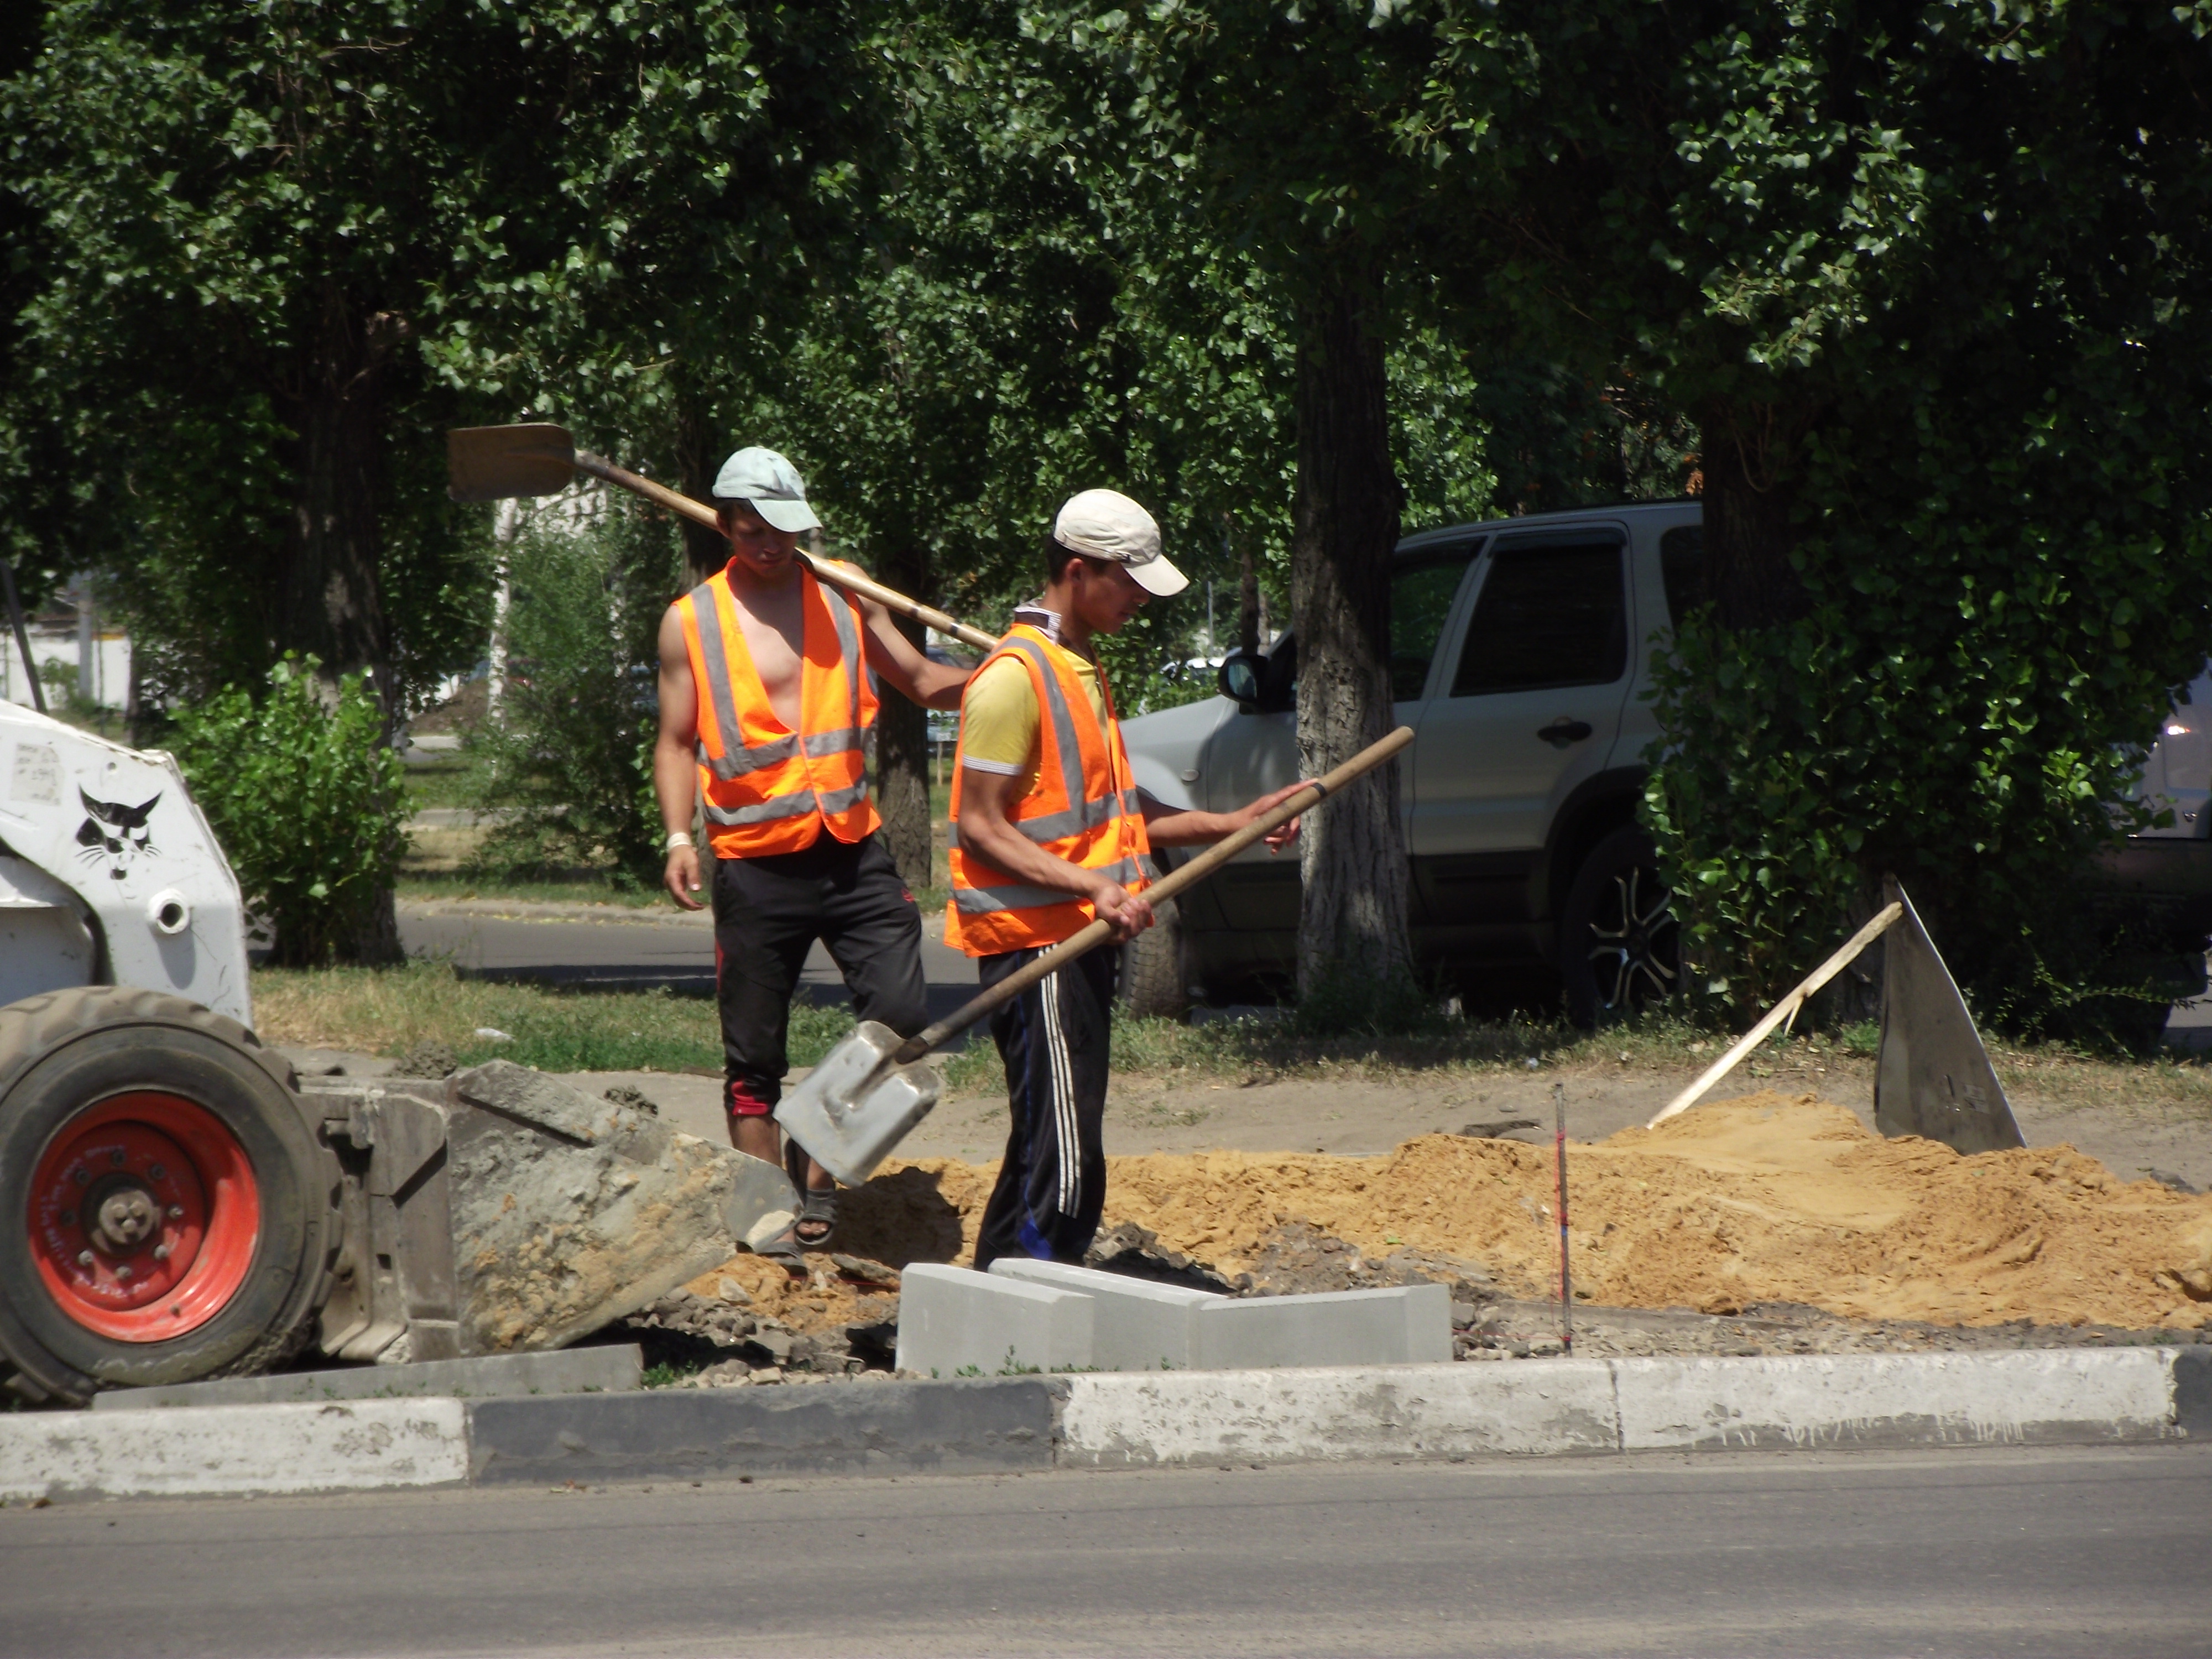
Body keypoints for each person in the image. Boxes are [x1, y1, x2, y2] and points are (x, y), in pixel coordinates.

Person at [947, 489, 1308, 1269]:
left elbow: (1120, 814)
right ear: (1078, 571)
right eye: (1130, 581)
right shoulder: (1013, 679)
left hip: (1080, 934)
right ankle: (1036, 1305)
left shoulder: (1078, 666)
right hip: (1038, 946)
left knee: (1047, 1137)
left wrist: (1237, 819)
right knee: (1068, 1161)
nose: (1142, 598)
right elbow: (979, 822)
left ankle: (992, 1294)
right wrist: (1091, 888)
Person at [654, 446, 968, 1259]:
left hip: (851, 848)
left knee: (898, 1017)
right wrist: (680, 835)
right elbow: (676, 739)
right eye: (754, 531)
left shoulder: (844, 589)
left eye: (785, 530)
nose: (771, 545)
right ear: (726, 526)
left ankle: (817, 1165)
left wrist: (1010, 667)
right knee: (753, 1053)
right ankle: (768, 1211)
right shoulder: (691, 622)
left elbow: (921, 682)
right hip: (754, 861)